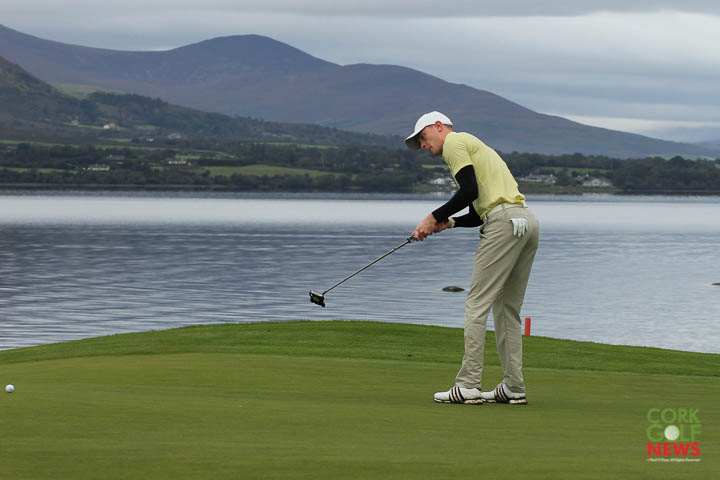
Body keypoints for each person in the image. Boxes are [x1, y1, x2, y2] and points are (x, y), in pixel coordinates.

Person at [405, 111, 539, 405]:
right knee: (507, 309)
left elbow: (468, 192)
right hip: (526, 222)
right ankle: (513, 386)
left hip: (503, 225)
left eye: (423, 138)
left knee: (476, 303)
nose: (423, 146)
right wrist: (450, 222)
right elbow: (480, 211)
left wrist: (432, 217)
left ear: (438, 127)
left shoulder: (454, 143)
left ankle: (468, 385)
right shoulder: (477, 147)